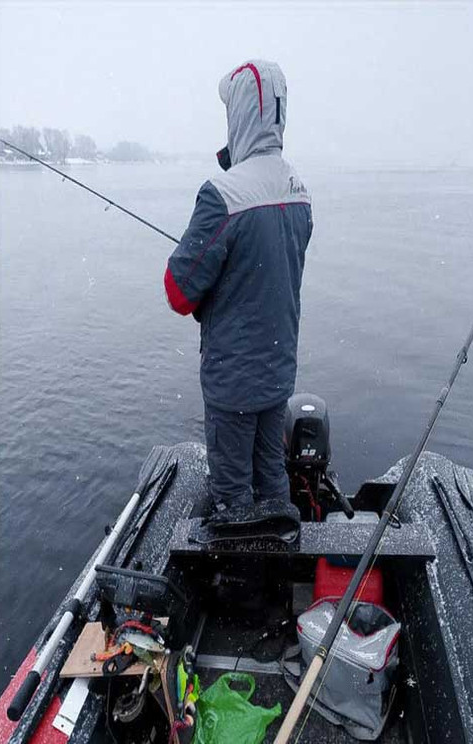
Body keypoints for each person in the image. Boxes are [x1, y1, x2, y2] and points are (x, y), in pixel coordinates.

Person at [164, 60, 312, 518]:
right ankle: (280, 559)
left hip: (232, 386)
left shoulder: (221, 196)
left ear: (240, 116)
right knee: (272, 481)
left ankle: (243, 578)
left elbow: (178, 292)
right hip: (275, 376)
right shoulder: (299, 192)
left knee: (233, 501)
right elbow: (264, 273)